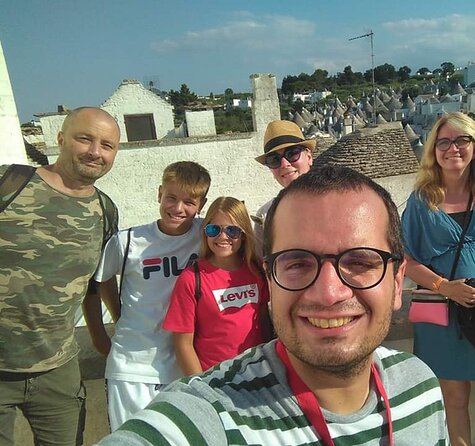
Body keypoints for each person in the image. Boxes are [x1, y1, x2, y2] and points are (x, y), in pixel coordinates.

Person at [97, 165, 448, 445]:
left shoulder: (421, 385)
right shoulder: (211, 414)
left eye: (360, 261)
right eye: (297, 263)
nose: (329, 293)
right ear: (271, 276)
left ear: (398, 282)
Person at [0, 107, 121, 446]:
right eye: (85, 139)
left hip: (57, 372)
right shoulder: (9, 183)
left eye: (107, 145)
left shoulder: (105, 210)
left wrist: (102, 338)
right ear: (61, 139)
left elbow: (95, 283)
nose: (95, 152)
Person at [401, 112, 475, 446]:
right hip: (441, 311)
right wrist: (445, 287)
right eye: (444, 142)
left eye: (461, 140)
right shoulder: (422, 202)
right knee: (453, 399)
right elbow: (405, 259)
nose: (453, 148)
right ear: (434, 150)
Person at [91, 161, 210, 430]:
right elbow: (99, 280)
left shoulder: (208, 234)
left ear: (201, 204)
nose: (178, 208)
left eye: (189, 202)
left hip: (186, 366)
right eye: (171, 198)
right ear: (159, 194)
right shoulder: (129, 241)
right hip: (132, 367)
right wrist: (102, 334)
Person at [163, 196, 271, 376]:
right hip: (214, 379)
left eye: (232, 231)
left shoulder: (257, 269)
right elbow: (183, 343)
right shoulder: (192, 278)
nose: (222, 237)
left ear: (243, 234)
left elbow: (264, 323)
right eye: (214, 229)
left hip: (256, 375)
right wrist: (199, 385)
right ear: (205, 232)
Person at [252, 119, 314, 254]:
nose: (284, 164)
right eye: (274, 159)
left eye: (292, 153)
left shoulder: (336, 201)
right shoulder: (265, 214)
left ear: (309, 156)